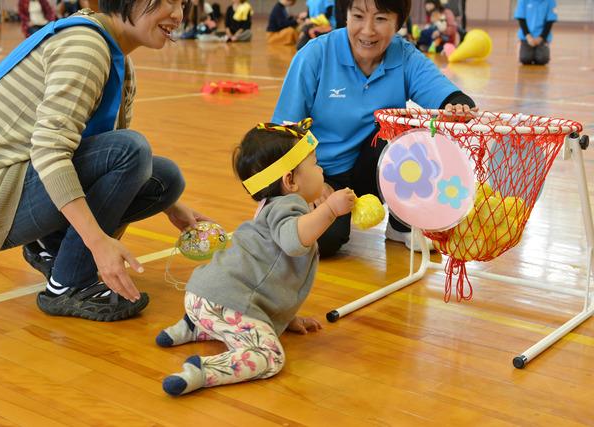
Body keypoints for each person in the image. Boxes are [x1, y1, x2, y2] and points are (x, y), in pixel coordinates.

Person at [0, 0, 208, 322]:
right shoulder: (86, 47)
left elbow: (103, 153)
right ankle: (68, 284)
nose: (178, 14)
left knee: (165, 179)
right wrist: (98, 243)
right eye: (168, 1)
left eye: (182, 3)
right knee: (131, 150)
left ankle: (53, 246)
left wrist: (170, 204)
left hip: (20, 182)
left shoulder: (116, 55)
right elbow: (51, 151)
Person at [157, 120, 356, 396]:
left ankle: (192, 326)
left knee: (234, 313)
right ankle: (204, 371)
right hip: (227, 303)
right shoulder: (290, 205)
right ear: (290, 180)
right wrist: (330, 211)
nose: (322, 170)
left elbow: (264, 276)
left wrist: (286, 319)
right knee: (270, 357)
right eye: (316, 164)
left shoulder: (269, 206)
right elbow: (293, 241)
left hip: (202, 295)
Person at [272, 0, 476, 258]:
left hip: (372, 171)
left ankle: (400, 224)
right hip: (320, 173)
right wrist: (308, 183)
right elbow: (283, 130)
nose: (367, 30)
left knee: (408, 135)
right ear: (344, 16)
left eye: (380, 19)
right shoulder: (315, 55)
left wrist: (457, 106)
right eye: (358, 16)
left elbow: (449, 95)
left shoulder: (404, 55)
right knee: (323, 242)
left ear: (398, 24)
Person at [514, 0, 557, 65]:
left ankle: (542, 49)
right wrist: (528, 37)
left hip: (542, 36)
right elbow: (521, 19)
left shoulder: (551, 1)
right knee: (525, 59)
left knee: (542, 60)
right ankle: (522, 46)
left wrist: (541, 38)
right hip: (526, 37)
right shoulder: (522, 1)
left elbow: (550, 21)